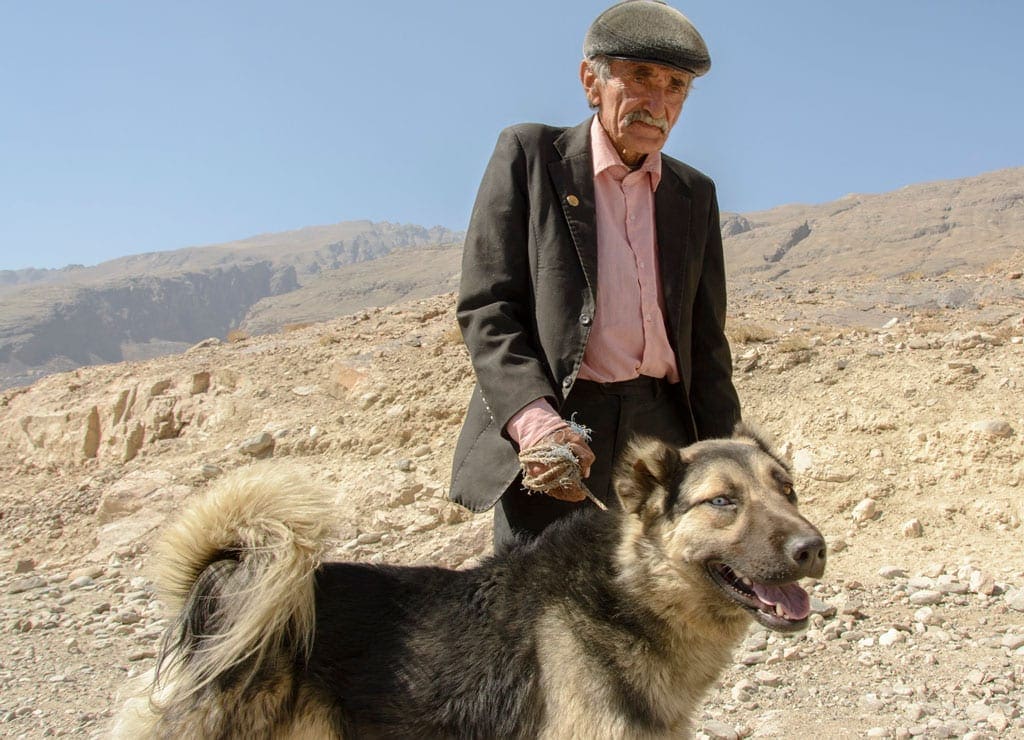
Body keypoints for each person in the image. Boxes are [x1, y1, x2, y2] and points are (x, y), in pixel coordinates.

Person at [450, 0, 741, 549]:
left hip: (661, 428)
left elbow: (706, 340)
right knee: (537, 606)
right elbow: (489, 308)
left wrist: (728, 453)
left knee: (654, 606)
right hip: (562, 418)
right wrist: (535, 422)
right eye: (639, 78)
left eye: (675, 86)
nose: (657, 102)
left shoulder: (693, 193)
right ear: (592, 81)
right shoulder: (532, 155)